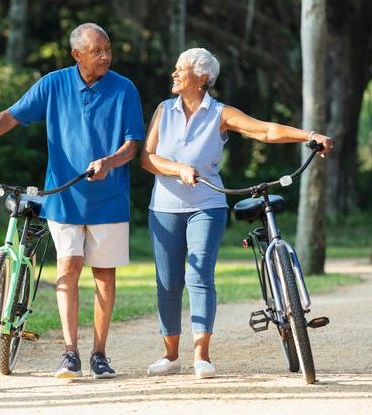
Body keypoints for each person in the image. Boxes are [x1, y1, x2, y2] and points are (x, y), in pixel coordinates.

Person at [0, 23, 145, 379]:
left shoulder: (124, 89)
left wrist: (109, 162)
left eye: (108, 49)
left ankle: (99, 354)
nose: (105, 56)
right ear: (77, 55)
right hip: (63, 196)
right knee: (68, 267)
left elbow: (133, 144)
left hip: (109, 198)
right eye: (97, 50)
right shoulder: (53, 84)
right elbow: (11, 116)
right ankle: (70, 352)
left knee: (104, 275)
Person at [140, 48, 333, 379]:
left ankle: (202, 355)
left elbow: (264, 130)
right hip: (164, 208)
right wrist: (177, 168)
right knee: (168, 282)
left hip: (207, 205)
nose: (174, 73)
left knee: (199, 276)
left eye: (181, 69)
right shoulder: (163, 110)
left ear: (202, 78)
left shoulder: (219, 113)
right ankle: (170, 356)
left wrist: (309, 136)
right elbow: (147, 158)